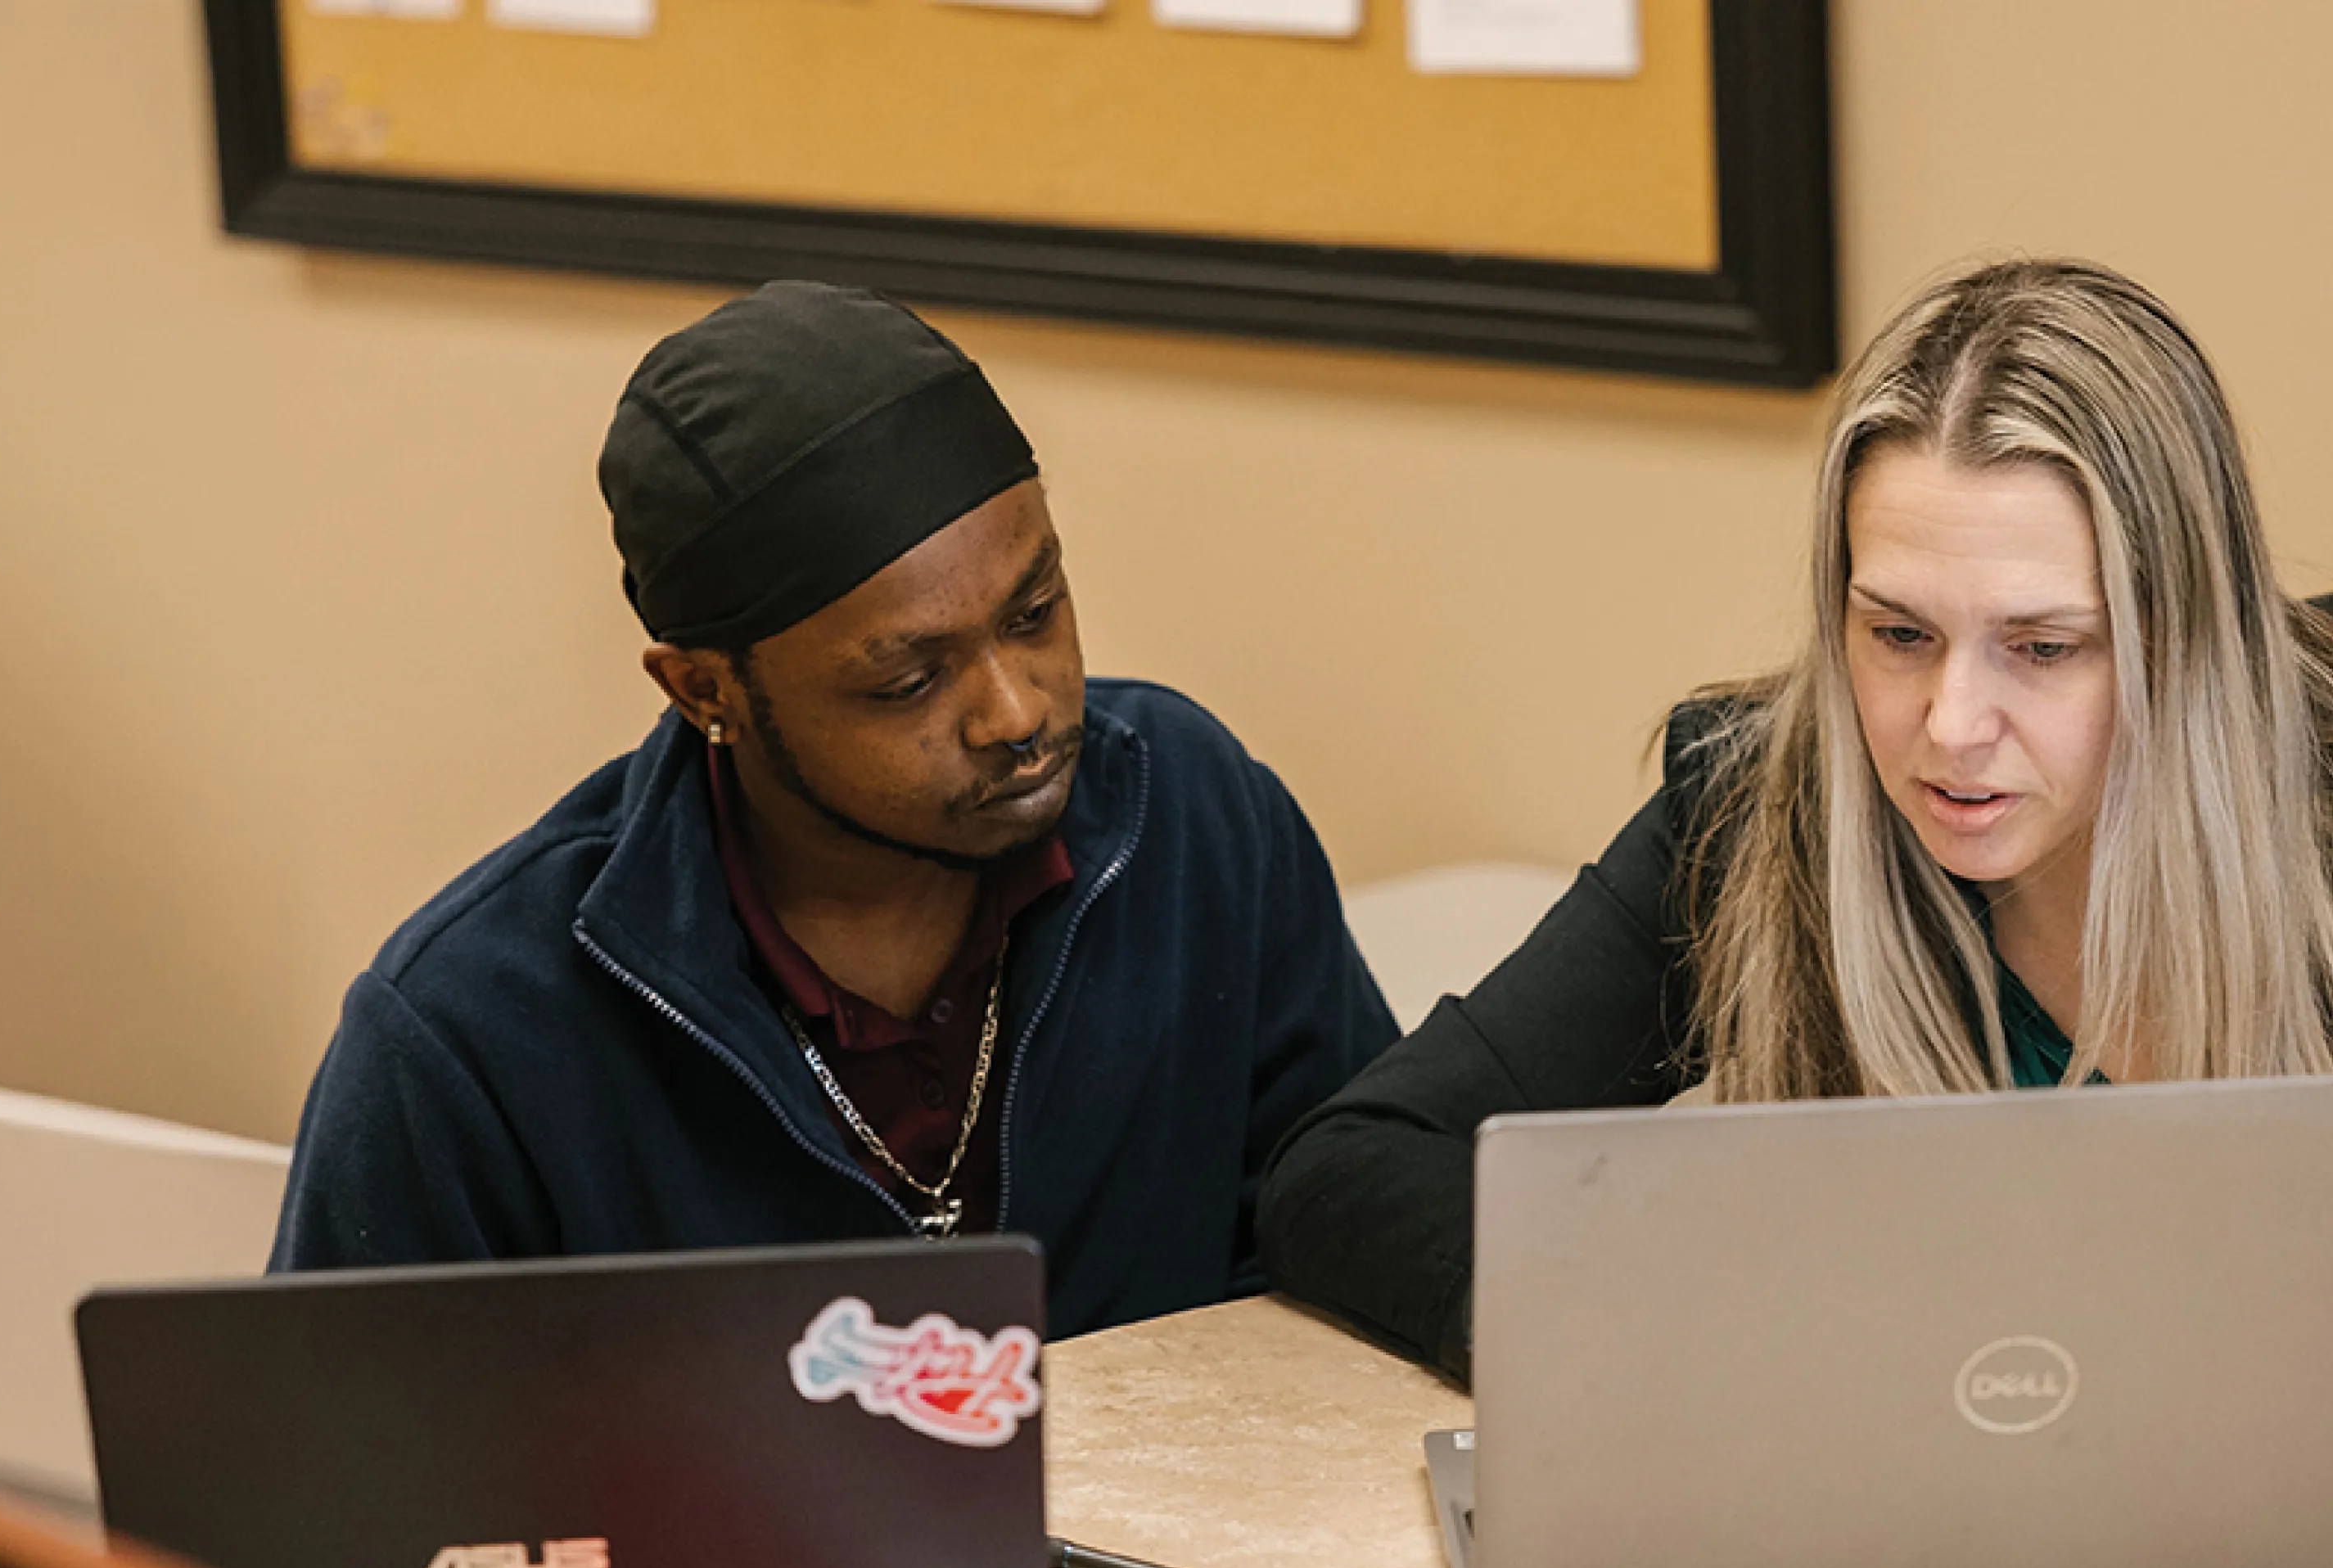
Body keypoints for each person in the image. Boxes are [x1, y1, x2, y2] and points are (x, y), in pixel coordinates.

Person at [1261, 259, 2333, 1382]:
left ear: (2189, 639)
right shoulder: (1755, 804)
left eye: (2045, 647)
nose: (1952, 725)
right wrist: (1653, 1323)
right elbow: (1353, 1166)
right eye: (1899, 635)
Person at [273, 280, 1398, 1336]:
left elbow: (1342, 1260)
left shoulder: (1194, 821)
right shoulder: (474, 1032)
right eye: (909, 681)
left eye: (1035, 612)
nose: (1015, 712)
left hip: (1194, 1541)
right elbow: (347, 1500)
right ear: (705, 690)